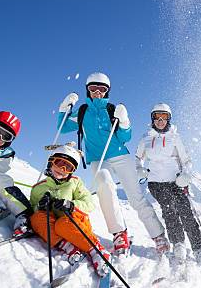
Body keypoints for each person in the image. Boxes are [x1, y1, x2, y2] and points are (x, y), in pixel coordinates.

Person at [57, 72, 169, 256]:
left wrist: (124, 121)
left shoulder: (111, 110)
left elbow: (126, 137)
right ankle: (119, 233)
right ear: (88, 90)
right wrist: (64, 108)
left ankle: (158, 235)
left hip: (120, 156)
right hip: (97, 159)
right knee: (104, 184)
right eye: (93, 88)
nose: (97, 92)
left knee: (136, 197)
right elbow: (62, 127)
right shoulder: (83, 112)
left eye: (102, 89)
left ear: (107, 91)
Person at [135, 103, 201, 268]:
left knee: (186, 213)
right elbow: (137, 158)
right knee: (169, 213)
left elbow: (187, 160)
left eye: (164, 117)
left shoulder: (175, 137)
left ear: (169, 119)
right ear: (152, 119)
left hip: (175, 182)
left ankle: (199, 249)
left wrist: (185, 175)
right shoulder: (146, 138)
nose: (160, 121)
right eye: (157, 117)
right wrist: (139, 169)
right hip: (156, 183)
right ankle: (179, 244)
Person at [22, 144, 110, 276]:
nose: (62, 169)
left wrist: (71, 205)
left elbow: (89, 204)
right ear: (51, 162)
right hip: (53, 225)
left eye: (68, 167)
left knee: (62, 223)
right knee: (37, 219)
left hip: (74, 223)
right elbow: (33, 210)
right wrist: (40, 206)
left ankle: (96, 250)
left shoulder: (75, 183)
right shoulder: (38, 188)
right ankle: (68, 246)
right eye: (59, 163)